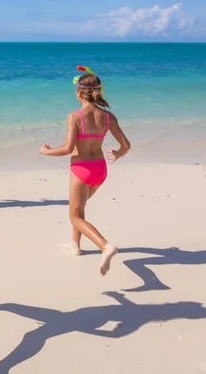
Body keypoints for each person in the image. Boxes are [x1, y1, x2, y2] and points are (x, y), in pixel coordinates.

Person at [40, 72, 131, 276]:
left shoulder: (75, 117)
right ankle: (75, 244)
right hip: (100, 169)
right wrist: (117, 154)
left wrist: (46, 151)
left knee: (74, 215)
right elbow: (126, 145)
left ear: (79, 92)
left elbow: (66, 148)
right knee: (79, 209)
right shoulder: (108, 117)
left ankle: (105, 245)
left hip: (82, 170)